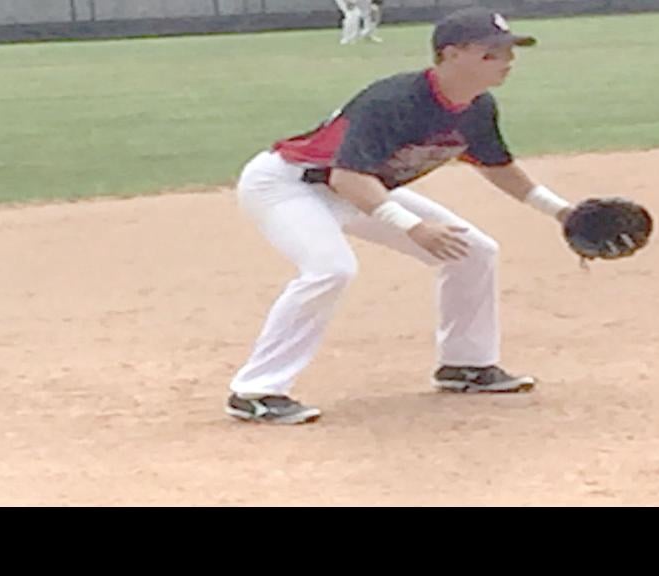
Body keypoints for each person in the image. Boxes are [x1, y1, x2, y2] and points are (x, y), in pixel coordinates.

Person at [226, 8, 576, 425]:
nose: (507, 61)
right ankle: (256, 391)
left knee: (474, 252)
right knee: (330, 269)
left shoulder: (477, 107)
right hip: (289, 185)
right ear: (451, 55)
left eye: (508, 51)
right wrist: (414, 228)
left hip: (357, 187)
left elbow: (497, 166)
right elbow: (348, 177)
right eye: (492, 53)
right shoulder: (394, 100)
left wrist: (561, 212)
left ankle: (466, 366)